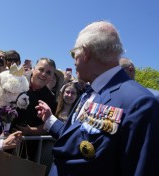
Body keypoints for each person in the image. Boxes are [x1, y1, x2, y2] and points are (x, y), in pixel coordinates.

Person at [36, 21, 159, 176]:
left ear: (86, 53)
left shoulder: (140, 103)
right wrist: (49, 120)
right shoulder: (89, 92)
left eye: (74, 54)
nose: (74, 61)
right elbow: (76, 140)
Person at [11, 57, 57, 162]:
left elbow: (48, 123)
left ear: (51, 77)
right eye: (41, 69)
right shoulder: (17, 80)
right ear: (34, 69)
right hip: (3, 140)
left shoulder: (50, 98)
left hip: (28, 149)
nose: (44, 74)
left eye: (48, 73)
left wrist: (30, 131)